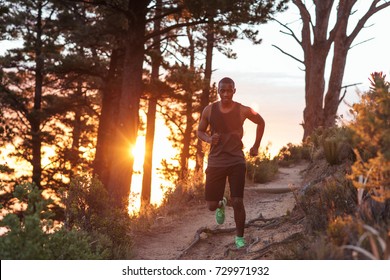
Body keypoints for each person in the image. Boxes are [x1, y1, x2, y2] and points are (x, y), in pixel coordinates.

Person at [197, 77, 265, 249]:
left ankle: (239, 237)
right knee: (211, 206)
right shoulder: (209, 110)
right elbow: (200, 131)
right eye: (222, 90)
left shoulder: (242, 110)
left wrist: (256, 145)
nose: (226, 94)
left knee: (237, 201)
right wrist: (209, 139)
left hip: (236, 160)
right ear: (218, 91)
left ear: (234, 91)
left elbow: (261, 122)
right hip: (216, 162)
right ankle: (221, 203)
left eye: (229, 90)